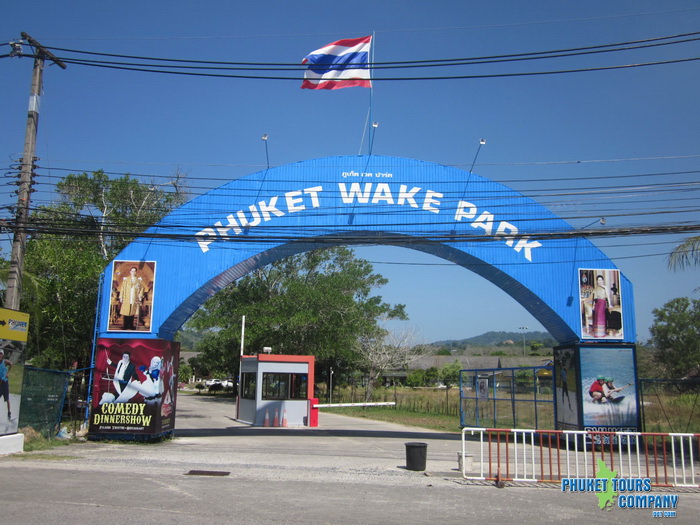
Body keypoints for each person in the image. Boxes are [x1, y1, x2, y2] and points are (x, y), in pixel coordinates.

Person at [0, 350, 12, 420]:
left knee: (7, 398)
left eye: (1, 354)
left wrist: (8, 373)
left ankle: (9, 412)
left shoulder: (5, 362)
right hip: (0, 383)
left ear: (3, 355)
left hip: (5, 383)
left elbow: (11, 364)